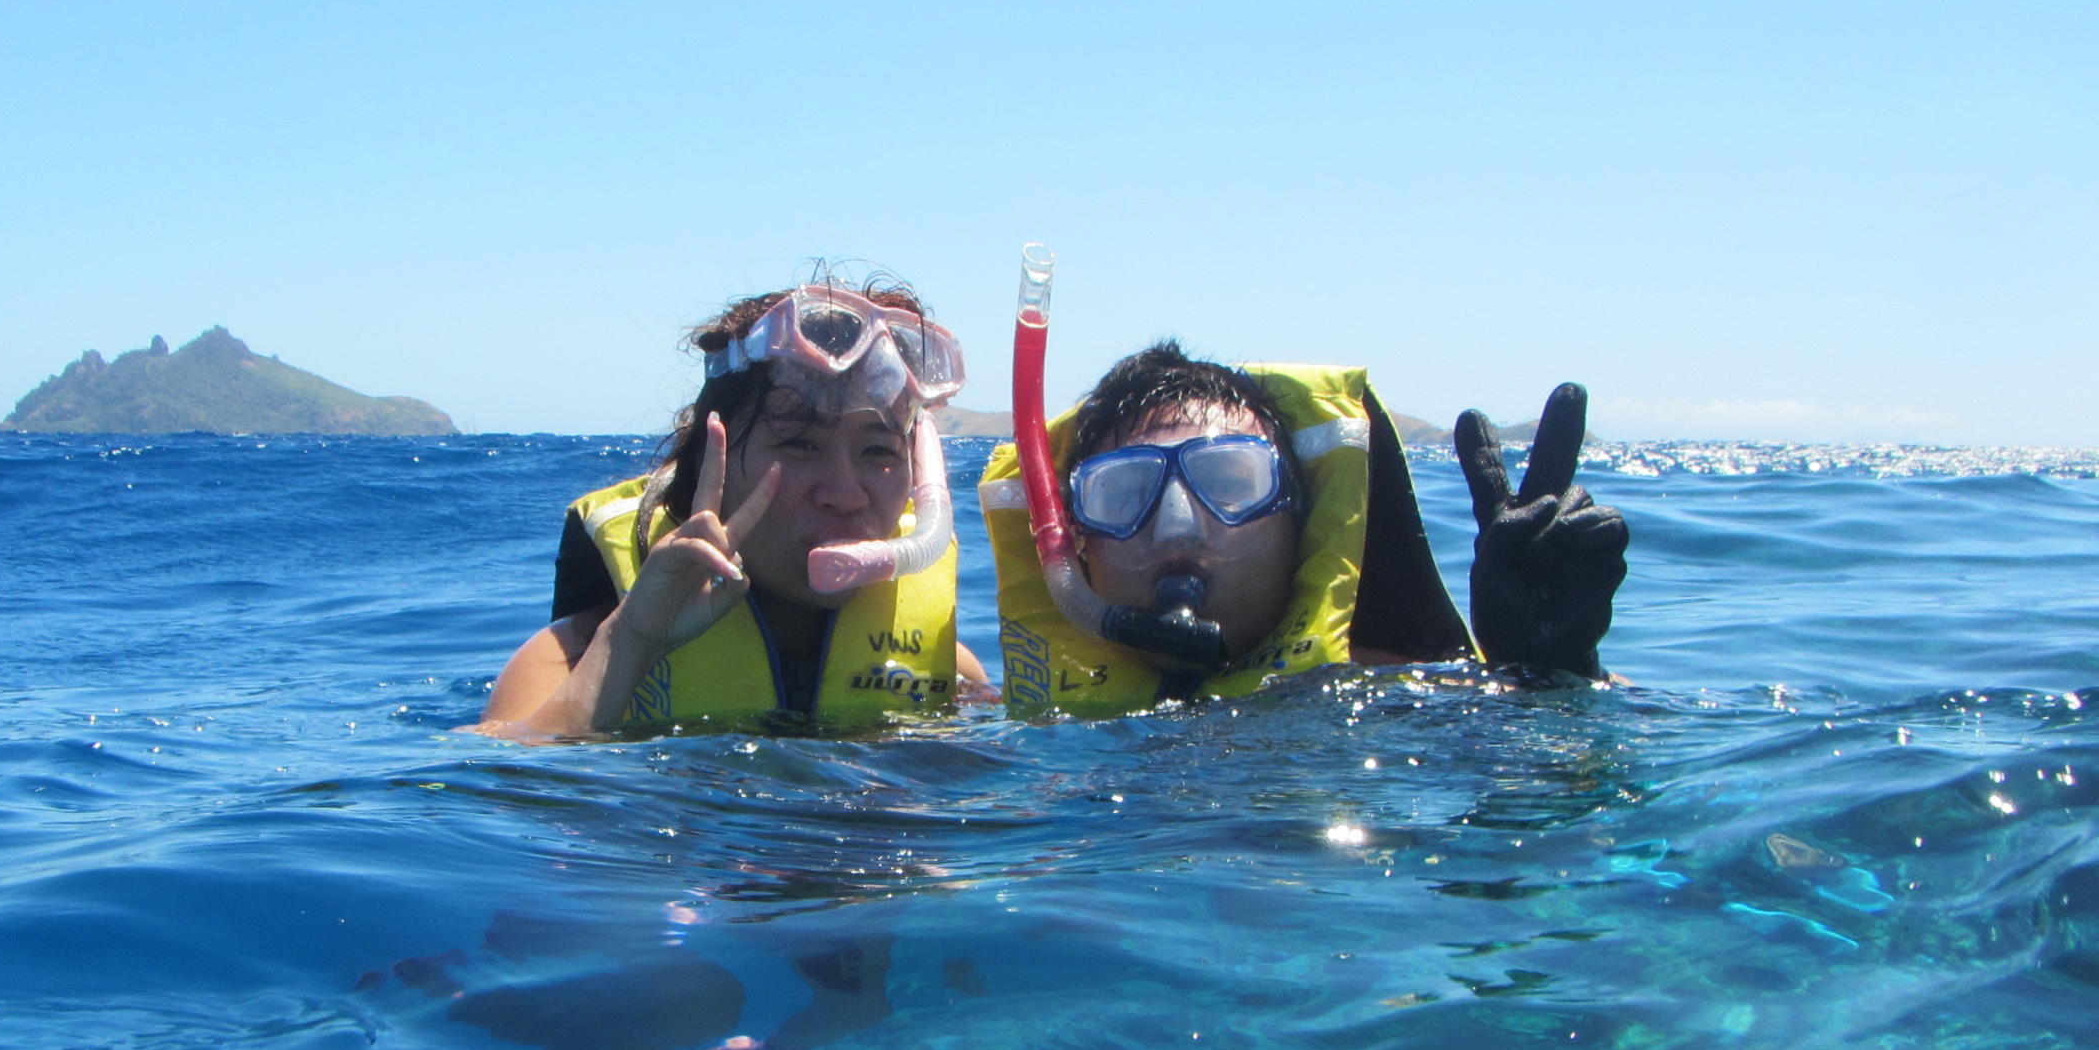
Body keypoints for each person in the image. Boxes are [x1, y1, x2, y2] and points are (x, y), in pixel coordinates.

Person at [981, 342, 1624, 716]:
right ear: (1076, 544)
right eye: (1122, 495)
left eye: (1230, 483)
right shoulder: (1008, 719)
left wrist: (1553, 677)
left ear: (1300, 523)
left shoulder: (1411, 698)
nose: (1177, 529)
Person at [482, 277, 987, 736]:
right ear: (708, 462)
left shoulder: (952, 675)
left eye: (878, 452)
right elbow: (507, 790)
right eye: (800, 445)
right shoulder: (571, 657)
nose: (846, 494)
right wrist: (633, 641)